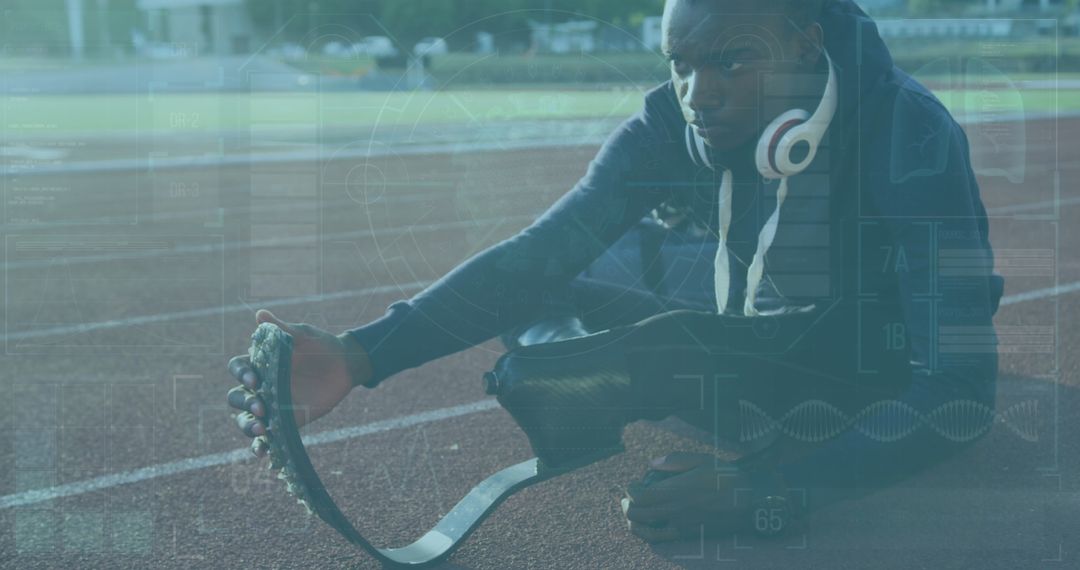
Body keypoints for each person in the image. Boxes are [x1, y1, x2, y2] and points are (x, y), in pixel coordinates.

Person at [228, 0, 1005, 543]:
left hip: (865, 349)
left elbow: (960, 393)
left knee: (667, 345)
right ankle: (583, 376)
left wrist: (775, 487)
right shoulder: (674, 119)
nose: (699, 94)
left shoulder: (911, 134)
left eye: (731, 61)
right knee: (557, 275)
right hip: (750, 306)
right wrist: (364, 353)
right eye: (682, 63)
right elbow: (544, 249)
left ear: (804, 45)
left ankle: (620, 369)